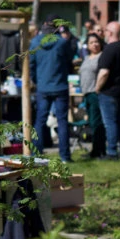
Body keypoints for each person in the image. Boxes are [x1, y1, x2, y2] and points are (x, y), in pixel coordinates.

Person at [30, 20, 75, 160]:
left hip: (43, 86)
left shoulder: (35, 42)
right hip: (60, 85)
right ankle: (65, 156)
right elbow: (69, 61)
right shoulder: (62, 42)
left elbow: (31, 64)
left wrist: (37, 80)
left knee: (39, 120)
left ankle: (36, 153)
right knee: (62, 121)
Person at [96, 20, 120, 159]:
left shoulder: (109, 49)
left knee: (110, 122)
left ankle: (111, 151)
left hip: (109, 90)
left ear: (109, 33)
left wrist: (97, 87)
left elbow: (104, 72)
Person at [78, 32, 106, 158]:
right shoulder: (86, 58)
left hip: (95, 93)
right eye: (91, 42)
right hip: (86, 93)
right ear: (87, 45)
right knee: (92, 122)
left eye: (96, 42)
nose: (94, 44)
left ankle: (98, 151)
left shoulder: (102, 57)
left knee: (97, 123)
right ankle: (96, 149)